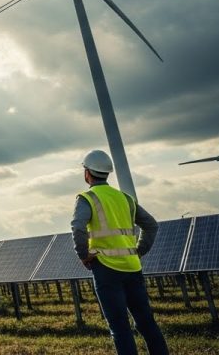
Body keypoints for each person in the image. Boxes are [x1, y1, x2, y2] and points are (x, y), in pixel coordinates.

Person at [71, 149, 169, 355]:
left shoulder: (87, 198)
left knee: (120, 329)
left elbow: (78, 227)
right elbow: (151, 225)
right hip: (133, 268)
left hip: (106, 269)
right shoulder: (125, 198)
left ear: (87, 173)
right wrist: (137, 251)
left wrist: (83, 255)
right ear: (107, 173)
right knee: (147, 324)